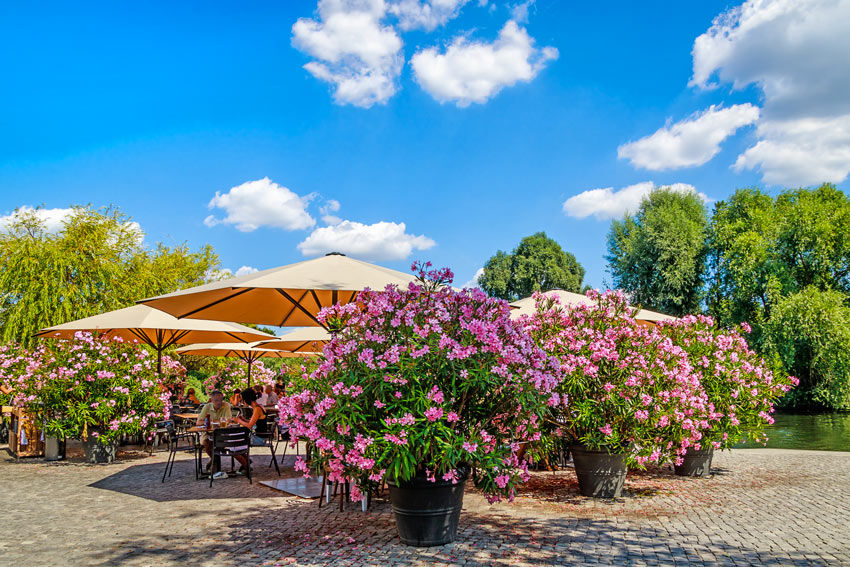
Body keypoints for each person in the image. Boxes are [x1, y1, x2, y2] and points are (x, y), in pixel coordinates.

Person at [232, 387, 269, 473]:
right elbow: (253, 422)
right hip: (260, 436)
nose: (242, 402)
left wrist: (239, 420)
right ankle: (246, 462)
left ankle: (246, 465)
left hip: (260, 439)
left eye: (243, 399)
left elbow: (249, 426)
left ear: (247, 399)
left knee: (234, 444)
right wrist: (243, 419)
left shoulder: (257, 409)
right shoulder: (259, 407)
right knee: (236, 442)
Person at [196, 390, 232, 471]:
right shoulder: (207, 407)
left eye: (220, 400)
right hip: (208, 433)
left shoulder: (226, 405)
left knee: (223, 443)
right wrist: (217, 421)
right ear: (212, 400)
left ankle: (213, 462)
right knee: (206, 442)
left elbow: (229, 420)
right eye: (216, 400)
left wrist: (212, 421)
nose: (219, 402)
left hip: (221, 434)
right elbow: (198, 422)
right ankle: (215, 460)